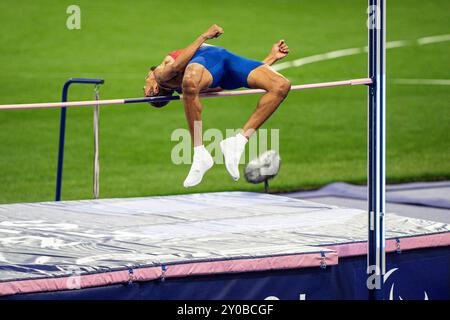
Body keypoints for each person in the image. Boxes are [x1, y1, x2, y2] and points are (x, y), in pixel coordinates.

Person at [144, 24, 290, 187]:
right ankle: (200, 154)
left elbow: (230, 81)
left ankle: (238, 142)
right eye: (146, 83)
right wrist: (204, 35)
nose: (146, 79)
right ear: (155, 88)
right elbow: (178, 67)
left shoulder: (190, 86)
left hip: (220, 60)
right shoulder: (161, 75)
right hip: (219, 63)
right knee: (190, 83)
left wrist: (270, 59)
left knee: (281, 86)